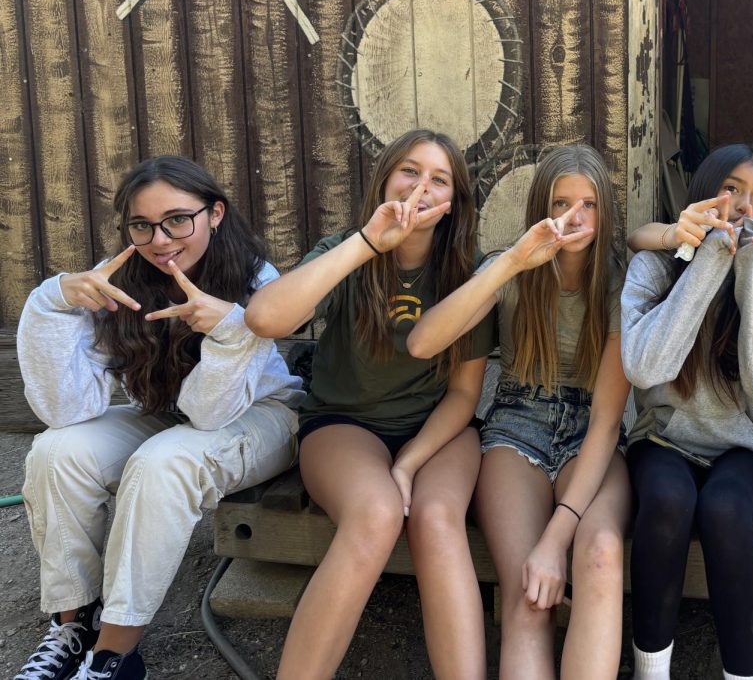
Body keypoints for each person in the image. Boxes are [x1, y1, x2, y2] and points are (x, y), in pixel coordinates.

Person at [16, 156, 302, 680]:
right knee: (57, 451)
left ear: (214, 214)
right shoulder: (120, 280)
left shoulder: (255, 276)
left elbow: (211, 413)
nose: (160, 239)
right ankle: (72, 627)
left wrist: (232, 329)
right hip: (166, 415)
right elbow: (66, 410)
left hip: (260, 417)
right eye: (142, 225)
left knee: (163, 462)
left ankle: (114, 658)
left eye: (177, 220)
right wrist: (51, 303)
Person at [244, 129, 495, 680]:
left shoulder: (468, 270)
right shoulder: (345, 247)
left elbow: (463, 394)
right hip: (344, 423)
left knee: (435, 517)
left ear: (454, 201)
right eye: (410, 171)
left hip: (436, 429)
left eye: (439, 179)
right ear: (385, 177)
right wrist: (367, 243)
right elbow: (265, 319)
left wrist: (407, 464)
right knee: (377, 512)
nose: (421, 187)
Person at [406, 144, 630, 679]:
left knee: (599, 554)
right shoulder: (510, 269)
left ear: (606, 212)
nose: (575, 217)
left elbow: (605, 419)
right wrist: (511, 263)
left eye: (589, 204)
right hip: (515, 425)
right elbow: (423, 341)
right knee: (528, 597)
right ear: (540, 207)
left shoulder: (622, 283)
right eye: (560, 202)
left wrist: (556, 540)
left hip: (591, 436)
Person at [621, 143, 753, 680]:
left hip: (742, 449)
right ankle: (651, 670)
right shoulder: (654, 264)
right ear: (705, 190)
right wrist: (708, 263)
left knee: (725, 510)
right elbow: (644, 367)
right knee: (666, 498)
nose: (744, 206)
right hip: (663, 441)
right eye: (732, 189)